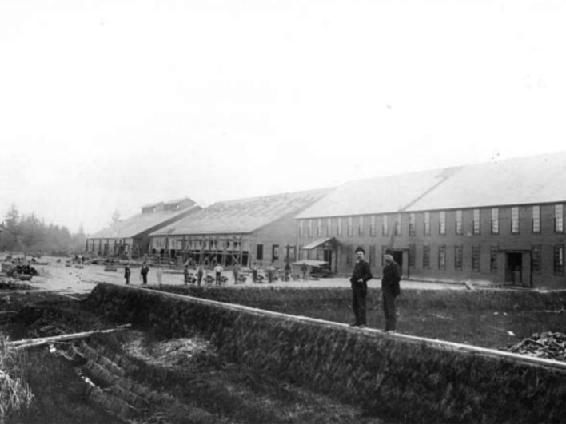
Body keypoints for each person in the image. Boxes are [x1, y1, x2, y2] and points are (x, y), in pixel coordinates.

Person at [349, 247, 373, 327]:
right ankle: (357, 321)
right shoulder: (357, 264)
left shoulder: (365, 264)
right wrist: (352, 279)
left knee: (361, 305)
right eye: (358, 254)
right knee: (355, 305)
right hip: (355, 287)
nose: (359, 255)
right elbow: (355, 274)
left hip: (361, 288)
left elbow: (370, 275)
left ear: (363, 255)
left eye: (361, 254)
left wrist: (362, 279)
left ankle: (363, 323)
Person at [381, 250, 401, 332]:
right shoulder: (386, 266)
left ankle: (393, 328)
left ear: (392, 257)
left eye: (389, 256)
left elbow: (398, 278)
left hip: (391, 291)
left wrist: (389, 284)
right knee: (386, 309)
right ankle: (387, 328)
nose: (387, 257)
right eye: (386, 256)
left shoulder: (395, 266)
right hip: (385, 290)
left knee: (391, 309)